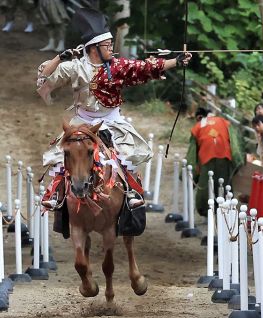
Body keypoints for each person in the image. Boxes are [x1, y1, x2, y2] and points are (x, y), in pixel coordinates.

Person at [37, 8, 192, 211]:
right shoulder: (74, 67)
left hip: (112, 122)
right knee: (62, 154)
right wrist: (60, 57)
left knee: (127, 154)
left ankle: (131, 193)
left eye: (110, 44)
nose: (111, 48)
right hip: (81, 122)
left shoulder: (117, 66)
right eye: (107, 45)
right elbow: (43, 76)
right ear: (94, 48)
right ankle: (55, 194)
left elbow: (144, 67)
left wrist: (176, 61)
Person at [186, 108, 245, 217]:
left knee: (206, 186)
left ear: (199, 117)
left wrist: (189, 176)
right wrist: (239, 161)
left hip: (207, 157)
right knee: (225, 185)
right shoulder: (224, 122)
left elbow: (192, 154)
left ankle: (207, 212)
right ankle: (227, 211)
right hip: (225, 156)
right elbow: (235, 143)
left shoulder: (197, 126)